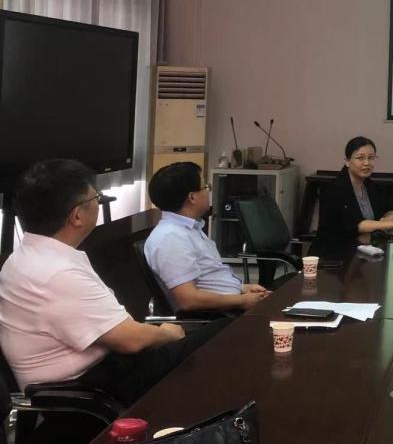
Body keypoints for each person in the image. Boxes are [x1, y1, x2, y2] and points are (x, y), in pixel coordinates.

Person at [0, 160, 229, 406]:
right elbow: (131, 340)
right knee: (223, 334)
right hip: (89, 387)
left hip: (97, 370)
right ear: (77, 216)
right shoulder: (56, 272)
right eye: (96, 198)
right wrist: (168, 333)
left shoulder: (28, 256)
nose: (99, 203)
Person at [145, 161, 270, 313]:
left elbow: (208, 279)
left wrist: (242, 289)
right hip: (219, 316)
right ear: (192, 197)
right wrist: (242, 300)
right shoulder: (170, 238)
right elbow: (189, 300)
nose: (208, 191)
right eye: (206, 187)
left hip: (232, 304)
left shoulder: (189, 228)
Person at [315, 137, 393, 246]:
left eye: (371, 158)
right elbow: (355, 225)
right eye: (360, 158)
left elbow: (391, 208)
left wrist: (386, 221)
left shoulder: (369, 184)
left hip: (366, 245)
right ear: (347, 161)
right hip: (336, 249)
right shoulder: (335, 188)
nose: (366, 163)